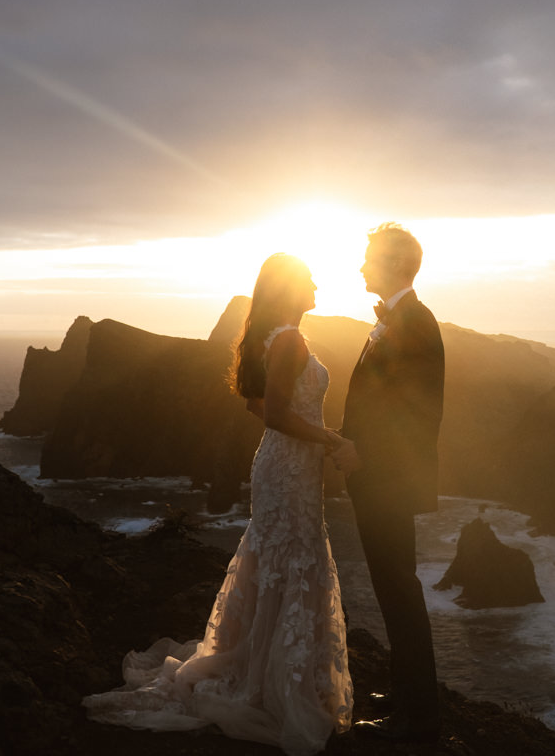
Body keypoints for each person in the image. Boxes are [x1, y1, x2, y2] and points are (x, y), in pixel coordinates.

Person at [84, 253, 356, 756]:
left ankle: (267, 672)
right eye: (309, 279)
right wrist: (331, 439)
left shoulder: (273, 338)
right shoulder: (290, 340)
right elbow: (274, 412)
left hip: (283, 465)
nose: (318, 283)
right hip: (290, 466)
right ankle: (277, 687)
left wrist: (309, 439)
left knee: (277, 558)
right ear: (290, 289)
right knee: (291, 558)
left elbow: (257, 404)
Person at [339, 223, 446, 743]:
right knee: (392, 586)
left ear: (398, 265)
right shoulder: (396, 320)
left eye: (369, 259)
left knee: (399, 588)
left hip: (388, 479)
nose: (361, 267)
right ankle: (408, 693)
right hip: (378, 478)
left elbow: (416, 413)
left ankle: (418, 714)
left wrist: (363, 453)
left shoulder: (415, 322)